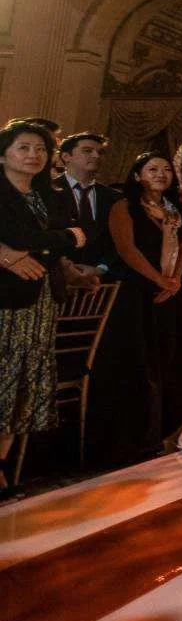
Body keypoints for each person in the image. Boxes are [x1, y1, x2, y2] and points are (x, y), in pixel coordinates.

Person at [108, 152, 182, 455]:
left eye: (166, 169)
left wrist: (175, 279)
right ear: (137, 175)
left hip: (171, 292)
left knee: (174, 357)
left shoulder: (173, 208)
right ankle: (140, 434)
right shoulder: (124, 206)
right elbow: (127, 250)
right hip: (138, 291)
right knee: (143, 362)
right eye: (152, 169)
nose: (160, 174)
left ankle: (174, 425)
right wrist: (158, 279)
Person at [0, 120, 88, 491]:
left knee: (21, 385)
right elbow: (43, 237)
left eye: (40, 149)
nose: (33, 155)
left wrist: (62, 252)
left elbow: (72, 238)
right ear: (3, 154)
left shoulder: (47, 195)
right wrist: (8, 255)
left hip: (39, 302)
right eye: (24, 147)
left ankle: (1, 465)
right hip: (3, 302)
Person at [55, 131, 120, 280]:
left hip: (99, 282)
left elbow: (118, 240)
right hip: (55, 277)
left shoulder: (114, 197)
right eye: (87, 151)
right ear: (66, 156)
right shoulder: (47, 191)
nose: (96, 156)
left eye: (100, 152)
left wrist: (101, 268)